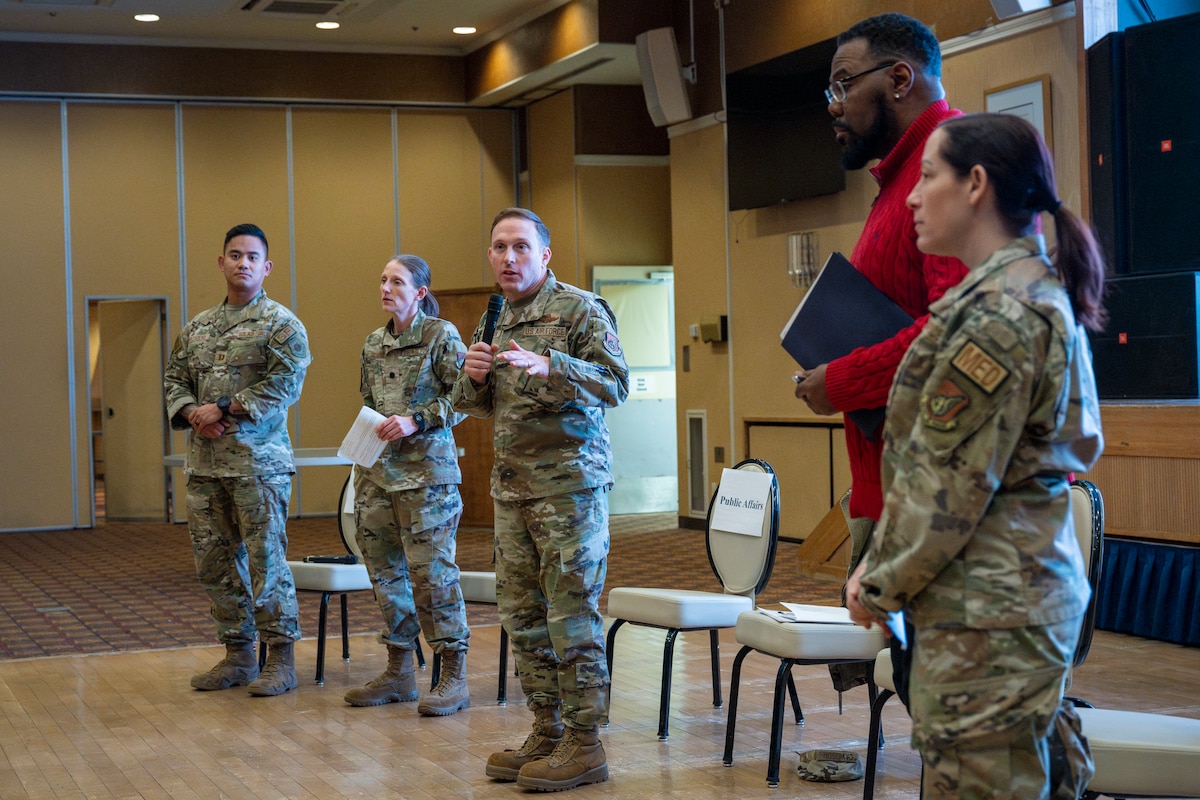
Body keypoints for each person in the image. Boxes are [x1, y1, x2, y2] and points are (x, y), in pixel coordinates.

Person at [846, 112, 1106, 799]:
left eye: (929, 176)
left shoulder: (999, 314)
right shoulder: (1010, 296)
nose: (911, 195)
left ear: (976, 185)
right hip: (1000, 605)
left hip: (989, 617)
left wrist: (876, 582)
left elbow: (947, 484)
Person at [793, 12, 970, 702]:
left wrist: (841, 377)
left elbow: (951, 332)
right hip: (888, 483)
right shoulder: (896, 184)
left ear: (899, 78)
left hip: (930, 498)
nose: (833, 107)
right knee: (917, 697)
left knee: (944, 705)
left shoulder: (949, 173)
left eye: (843, 86)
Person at [452, 208, 629, 792]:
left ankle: (586, 743)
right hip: (513, 491)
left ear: (545, 255)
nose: (509, 258)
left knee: (571, 615)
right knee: (524, 618)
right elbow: (476, 405)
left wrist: (554, 364)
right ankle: (547, 730)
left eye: (521, 247)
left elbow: (616, 384)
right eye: (499, 247)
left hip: (569, 491)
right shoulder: (495, 314)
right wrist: (472, 378)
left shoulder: (580, 309)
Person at [163, 223, 311, 697]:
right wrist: (192, 413)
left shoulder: (281, 325)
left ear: (266, 268)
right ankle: (238, 655)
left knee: (267, 563)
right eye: (234, 255)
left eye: (252, 257)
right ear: (221, 262)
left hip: (258, 466)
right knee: (215, 564)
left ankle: (280, 659)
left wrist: (224, 408)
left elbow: (286, 384)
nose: (242, 263)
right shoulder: (197, 328)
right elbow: (174, 380)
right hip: (206, 468)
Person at [343, 254, 473, 717]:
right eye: (382, 279)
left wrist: (416, 420)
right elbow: (368, 401)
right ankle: (400, 671)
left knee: (431, 577)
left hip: (426, 480)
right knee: (385, 575)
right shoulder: (372, 343)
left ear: (420, 291)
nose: (385, 287)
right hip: (376, 477)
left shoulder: (441, 335)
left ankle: (452, 674)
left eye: (396, 281)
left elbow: (465, 400)